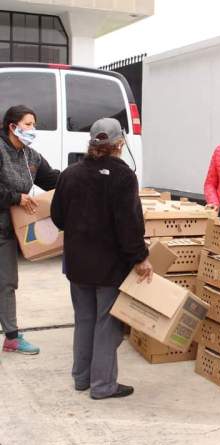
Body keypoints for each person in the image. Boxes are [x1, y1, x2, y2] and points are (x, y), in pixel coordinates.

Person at [50, 118, 152, 400]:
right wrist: (140, 257)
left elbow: (58, 217)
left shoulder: (70, 174)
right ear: (120, 143)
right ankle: (103, 385)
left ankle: (81, 378)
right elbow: (129, 225)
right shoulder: (123, 176)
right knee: (107, 324)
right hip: (109, 266)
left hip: (77, 263)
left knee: (84, 319)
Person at [0, 105, 59, 355]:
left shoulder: (31, 157)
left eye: (34, 124)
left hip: (6, 231)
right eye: (28, 124)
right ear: (12, 126)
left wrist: (81, 179)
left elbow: (52, 179)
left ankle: (11, 338)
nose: (32, 129)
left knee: (7, 283)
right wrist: (16, 197)